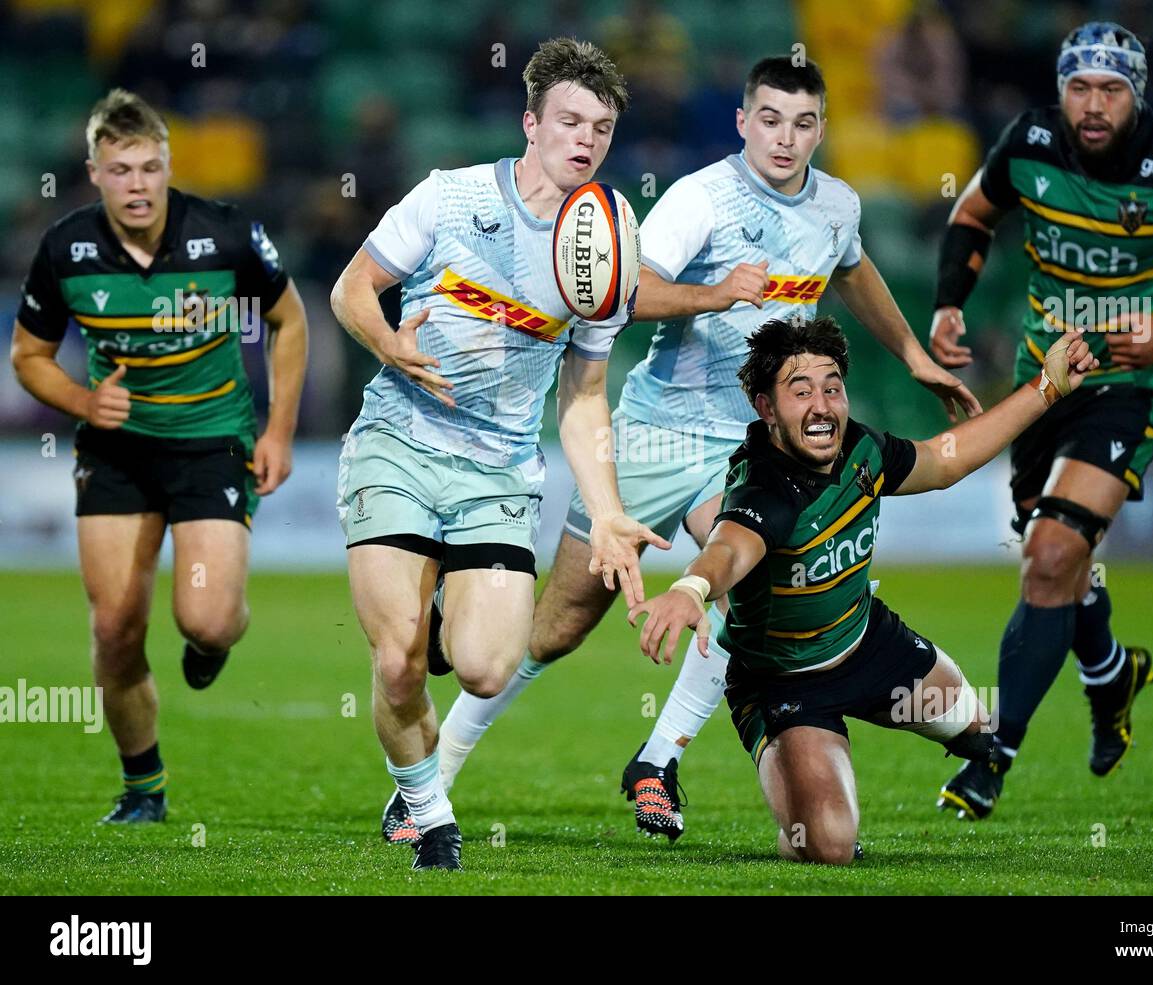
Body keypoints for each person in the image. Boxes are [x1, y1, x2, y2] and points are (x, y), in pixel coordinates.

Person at [424, 55, 982, 842]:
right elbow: (624, 291)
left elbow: (853, 270)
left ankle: (657, 758)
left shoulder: (836, 204)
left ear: (821, 128)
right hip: (655, 432)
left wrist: (913, 353)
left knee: (746, 591)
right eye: (770, 120)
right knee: (557, 627)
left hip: (748, 449)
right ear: (742, 121)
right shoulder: (702, 199)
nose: (786, 138)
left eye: (803, 123)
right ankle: (429, 781)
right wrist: (719, 291)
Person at [927, 22, 1153, 819]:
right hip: (1044, 383)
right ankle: (1112, 673)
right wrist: (950, 301)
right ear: (1061, 90)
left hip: (1133, 385)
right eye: (1080, 88)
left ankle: (995, 753)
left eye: (1112, 89)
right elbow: (973, 214)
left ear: (1138, 93)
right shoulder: (1028, 143)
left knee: (1052, 552)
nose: (1093, 106)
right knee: (1060, 559)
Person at [331, 38, 668, 870]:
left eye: (602, 127)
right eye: (569, 121)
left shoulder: (610, 243)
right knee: (399, 658)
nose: (585, 139)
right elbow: (350, 290)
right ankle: (428, 811)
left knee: (484, 669)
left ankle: (449, 608)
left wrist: (612, 510)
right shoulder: (448, 200)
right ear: (531, 123)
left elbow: (584, 396)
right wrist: (391, 349)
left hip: (499, 471)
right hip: (400, 444)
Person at [628, 315, 1096, 863]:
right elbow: (730, 547)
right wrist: (690, 587)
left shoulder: (862, 450)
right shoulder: (763, 486)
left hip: (869, 645)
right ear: (766, 409)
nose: (822, 405)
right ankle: (796, 797)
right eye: (800, 392)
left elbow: (946, 461)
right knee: (827, 846)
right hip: (785, 684)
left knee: (978, 734)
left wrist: (1047, 389)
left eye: (832, 387)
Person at [9, 88, 308, 823]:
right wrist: (81, 402)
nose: (136, 184)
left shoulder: (226, 234)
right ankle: (143, 787)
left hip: (212, 443)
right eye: (120, 170)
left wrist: (276, 432)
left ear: (169, 165)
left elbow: (290, 320)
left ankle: (213, 639)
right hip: (118, 452)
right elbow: (29, 355)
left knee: (204, 619)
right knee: (114, 628)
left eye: (148, 168)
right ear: (94, 171)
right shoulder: (66, 249)